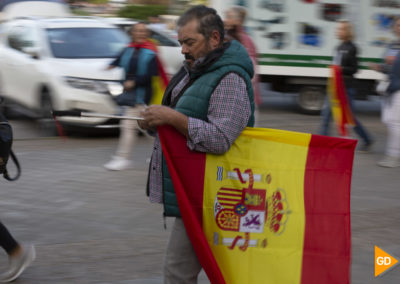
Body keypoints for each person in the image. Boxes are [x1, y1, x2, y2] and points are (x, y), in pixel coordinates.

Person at [139, 5, 255, 283]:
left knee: (178, 273)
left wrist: (172, 117)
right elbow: (180, 119)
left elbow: (220, 138)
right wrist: (154, 121)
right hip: (195, 190)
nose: (183, 50)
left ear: (214, 38)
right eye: (180, 43)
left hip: (214, 195)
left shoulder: (230, 78)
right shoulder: (196, 68)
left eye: (189, 42)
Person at [104, 22, 159, 171]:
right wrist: (107, 67)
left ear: (147, 34)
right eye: (138, 31)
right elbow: (116, 61)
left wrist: (133, 82)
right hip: (131, 94)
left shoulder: (151, 53)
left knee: (129, 126)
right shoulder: (128, 50)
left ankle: (122, 158)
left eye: (144, 31)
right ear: (132, 33)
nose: (141, 33)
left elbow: (150, 76)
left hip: (143, 95)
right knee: (145, 127)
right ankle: (161, 155)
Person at [319, 20, 373, 151]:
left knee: (349, 118)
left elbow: (354, 69)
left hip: (347, 88)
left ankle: (367, 139)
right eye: (338, 29)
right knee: (326, 114)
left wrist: (340, 69)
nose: (338, 31)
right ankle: (321, 143)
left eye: (341, 29)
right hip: (334, 87)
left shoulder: (352, 48)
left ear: (347, 32)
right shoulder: (338, 47)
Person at [371, 17, 400, 167]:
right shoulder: (392, 44)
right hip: (390, 86)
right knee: (388, 120)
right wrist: (380, 67)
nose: (398, 27)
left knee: (395, 122)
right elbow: (387, 64)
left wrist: (392, 62)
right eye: (397, 25)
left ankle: (393, 156)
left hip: (398, 88)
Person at [224, 6, 262, 118]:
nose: (225, 20)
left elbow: (251, 73)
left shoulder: (244, 41)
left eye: (229, 17)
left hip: (243, 101)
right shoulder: (231, 38)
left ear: (238, 21)